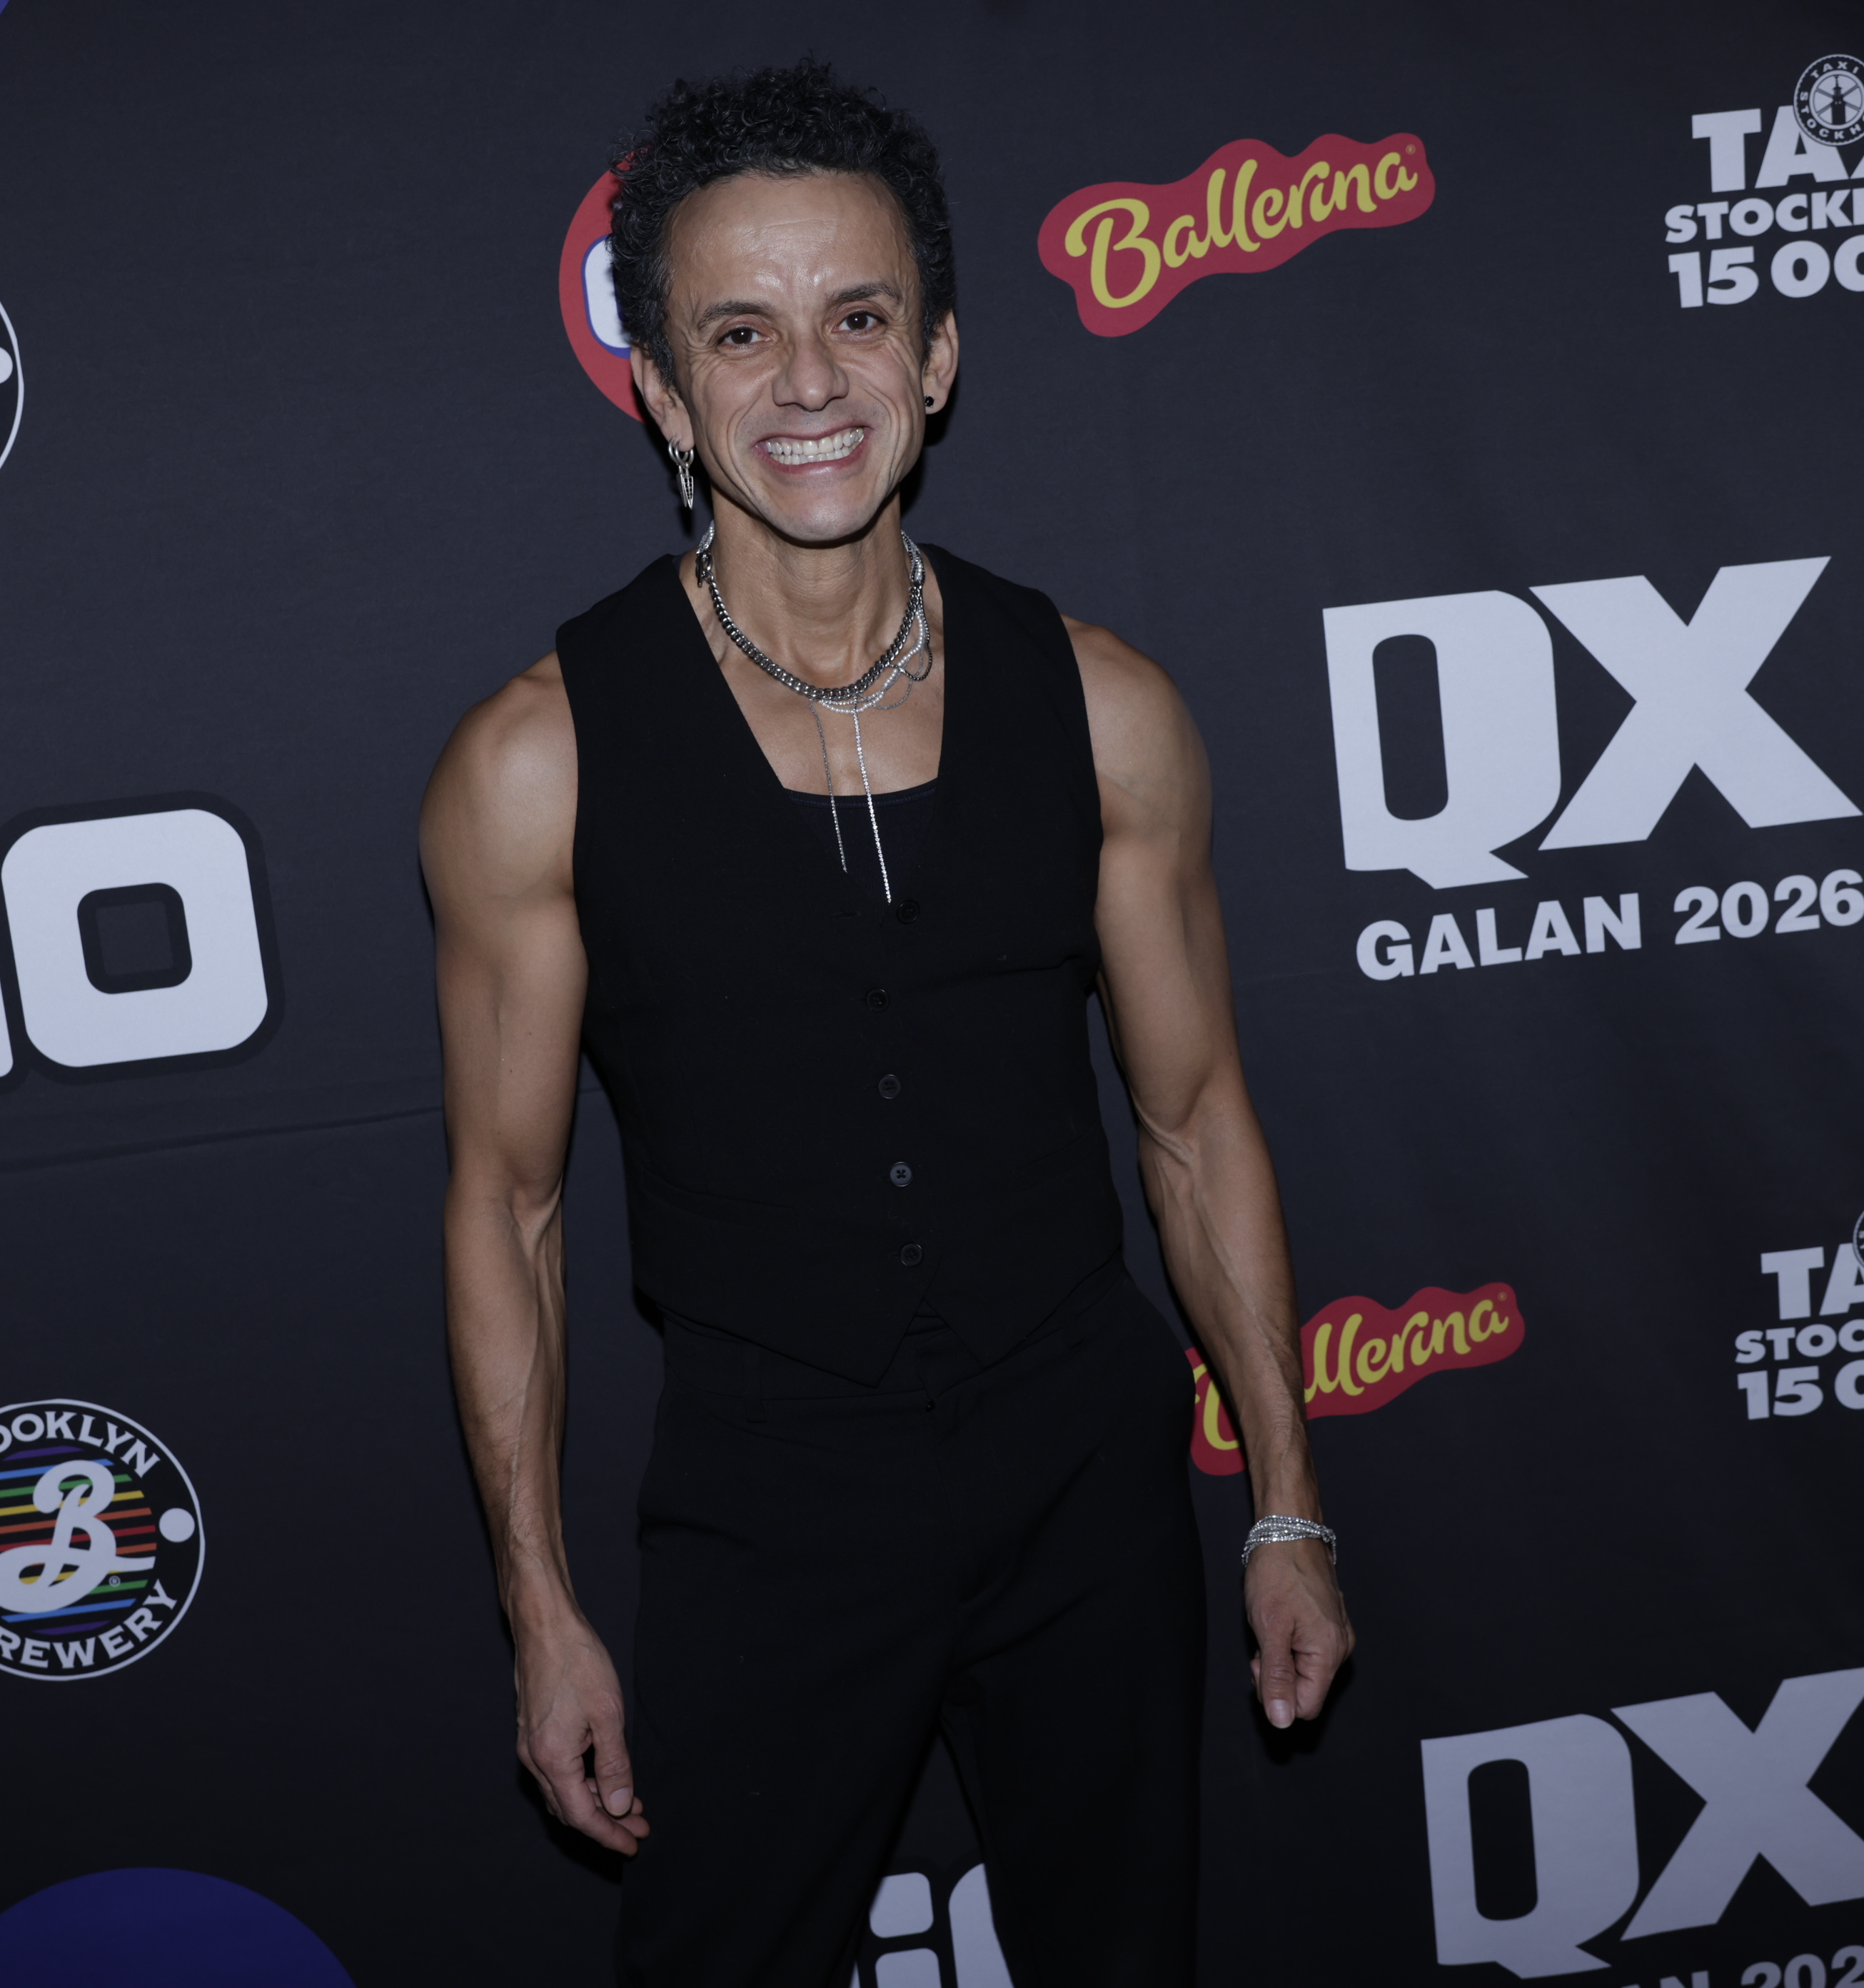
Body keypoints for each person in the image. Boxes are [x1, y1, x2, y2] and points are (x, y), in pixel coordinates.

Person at [420, 59, 1353, 1985]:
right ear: (660, 392)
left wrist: (1287, 1508)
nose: (808, 382)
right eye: (738, 334)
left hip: (1086, 1474)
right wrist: (543, 1614)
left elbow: (1194, 1125)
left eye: (857, 318)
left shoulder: (1106, 709)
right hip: (773, 1495)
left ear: (936, 357)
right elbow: (508, 1206)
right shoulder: (537, 762)